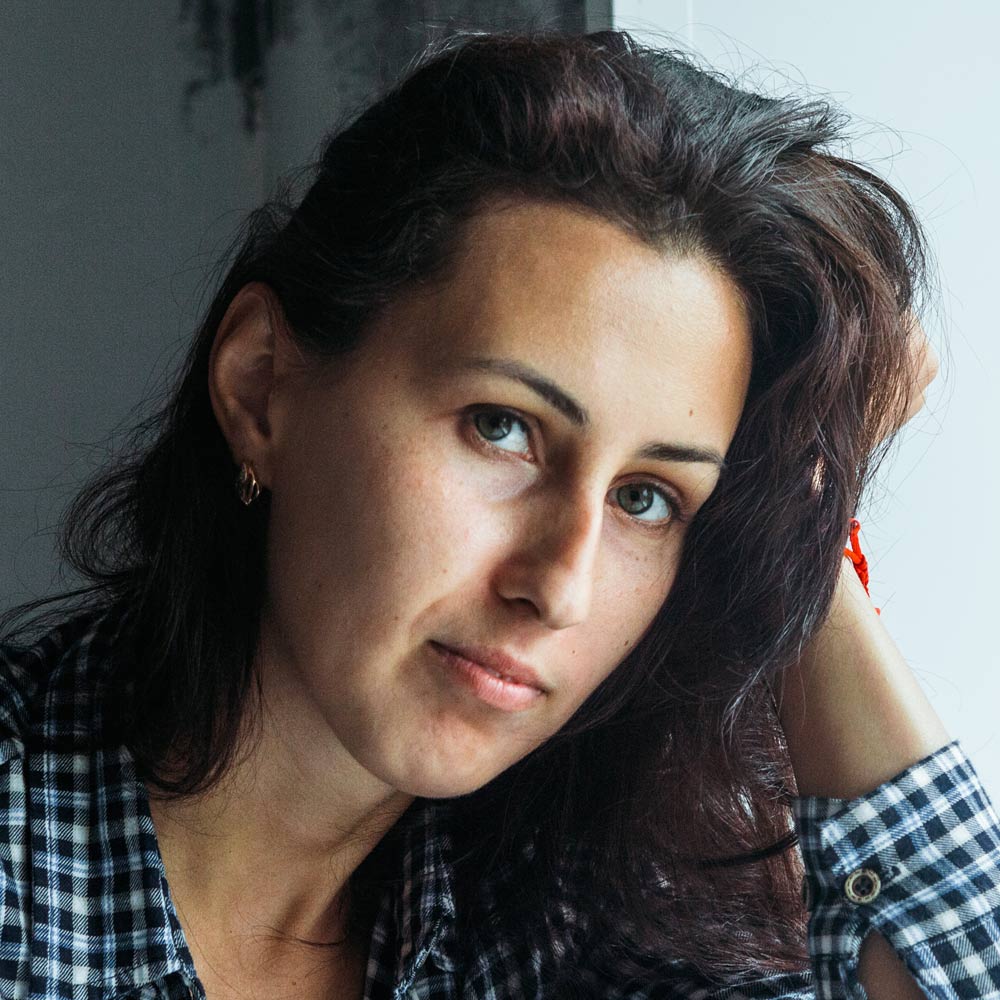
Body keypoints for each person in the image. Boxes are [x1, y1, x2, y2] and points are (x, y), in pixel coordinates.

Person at [1, 28, 997, 1000]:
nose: (559, 587)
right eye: (503, 429)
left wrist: (801, 534)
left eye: (646, 498)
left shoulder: (562, 936)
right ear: (262, 385)